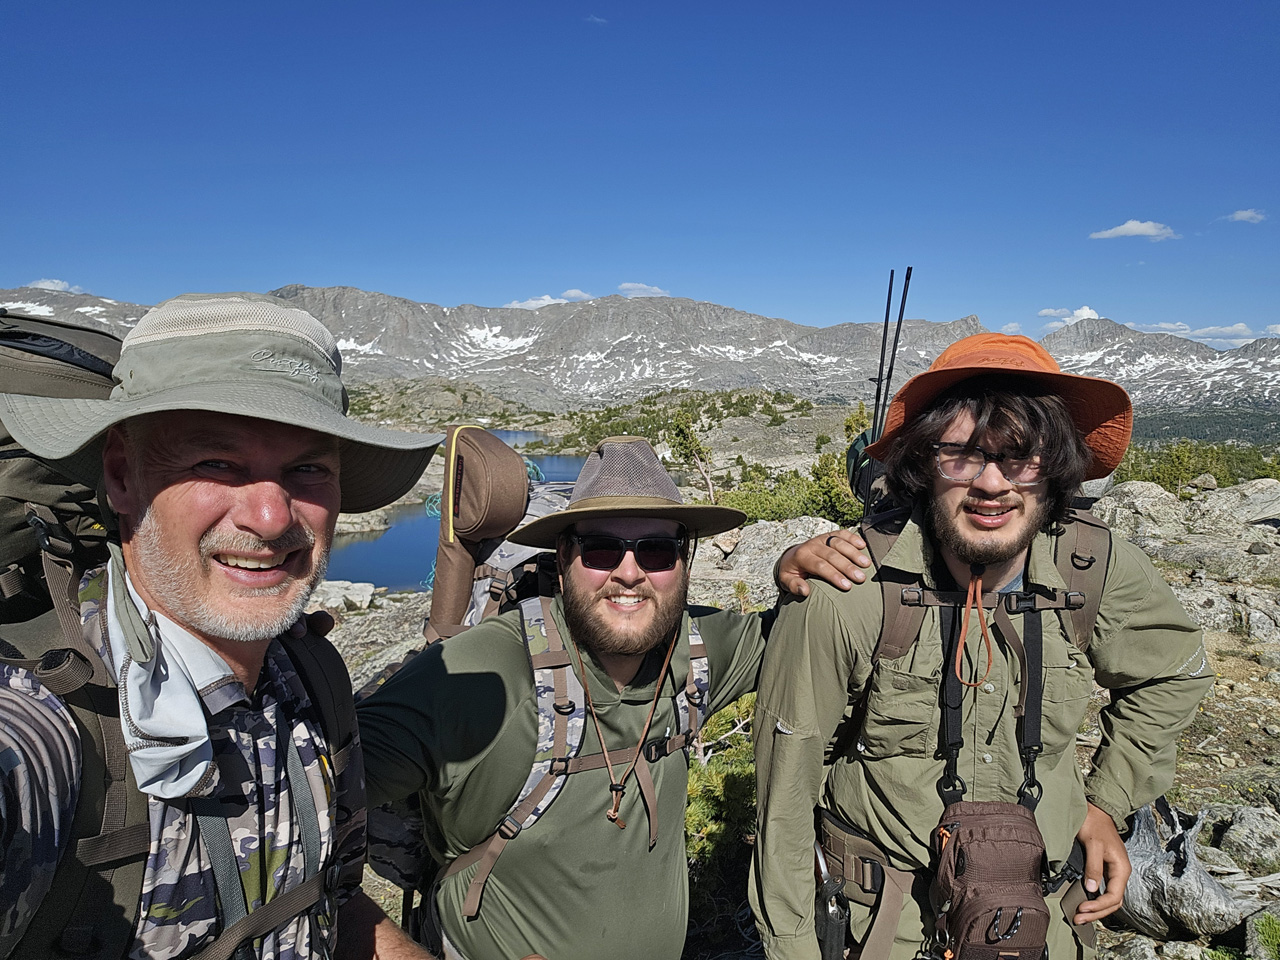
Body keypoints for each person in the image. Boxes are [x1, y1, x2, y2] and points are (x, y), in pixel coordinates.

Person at [0, 292, 444, 959]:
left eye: (307, 469)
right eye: (216, 463)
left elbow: (332, 904)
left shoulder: (312, 678)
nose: (271, 517)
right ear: (121, 476)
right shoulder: (49, 716)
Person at [750, 334, 1214, 960]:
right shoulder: (849, 587)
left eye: (1022, 457)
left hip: (1044, 917)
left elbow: (1174, 672)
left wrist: (1104, 801)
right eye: (961, 455)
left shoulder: (1094, 571)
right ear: (922, 466)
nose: (992, 484)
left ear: (1055, 473)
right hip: (883, 927)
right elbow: (784, 797)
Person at [357, 436, 870, 960]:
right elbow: (290, 812)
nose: (630, 572)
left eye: (657, 550)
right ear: (563, 559)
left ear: (685, 560)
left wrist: (797, 569)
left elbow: (799, 645)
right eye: (602, 548)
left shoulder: (697, 650)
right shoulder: (480, 674)